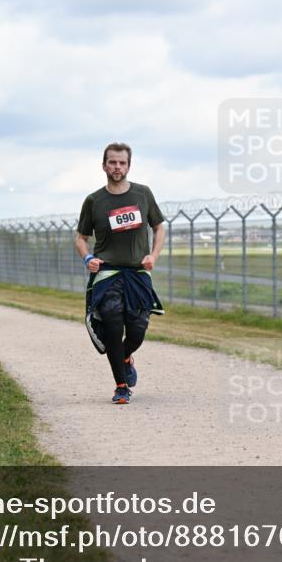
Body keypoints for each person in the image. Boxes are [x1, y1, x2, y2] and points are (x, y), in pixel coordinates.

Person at [76, 142, 165, 405]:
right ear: (104, 165)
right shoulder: (94, 201)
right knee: (113, 328)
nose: (117, 167)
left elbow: (159, 228)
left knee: (137, 331)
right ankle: (121, 386)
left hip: (138, 273)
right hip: (108, 273)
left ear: (129, 165)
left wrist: (153, 255)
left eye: (122, 162)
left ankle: (125, 357)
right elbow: (81, 238)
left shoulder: (143, 194)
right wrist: (88, 257)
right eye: (112, 162)